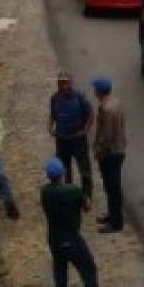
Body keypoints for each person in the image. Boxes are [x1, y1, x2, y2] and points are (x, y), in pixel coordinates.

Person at [41, 157, 101, 287]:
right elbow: (87, 207)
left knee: (60, 274)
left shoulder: (45, 192)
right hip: (72, 239)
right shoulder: (73, 190)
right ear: (63, 173)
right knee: (89, 271)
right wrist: (85, 196)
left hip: (54, 239)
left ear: (48, 176)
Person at [48, 72, 93, 200]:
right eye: (61, 83)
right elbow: (52, 114)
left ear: (71, 83)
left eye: (66, 82)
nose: (63, 86)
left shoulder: (79, 97)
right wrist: (50, 127)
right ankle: (68, 193)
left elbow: (90, 114)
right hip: (62, 140)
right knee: (64, 169)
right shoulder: (54, 98)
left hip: (78, 139)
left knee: (84, 170)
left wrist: (85, 130)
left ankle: (87, 196)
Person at [91, 78, 126, 233]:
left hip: (110, 153)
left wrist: (99, 151)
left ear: (98, 91)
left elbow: (107, 136)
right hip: (119, 149)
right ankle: (112, 215)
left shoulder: (106, 109)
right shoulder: (116, 103)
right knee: (112, 187)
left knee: (112, 188)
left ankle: (116, 222)